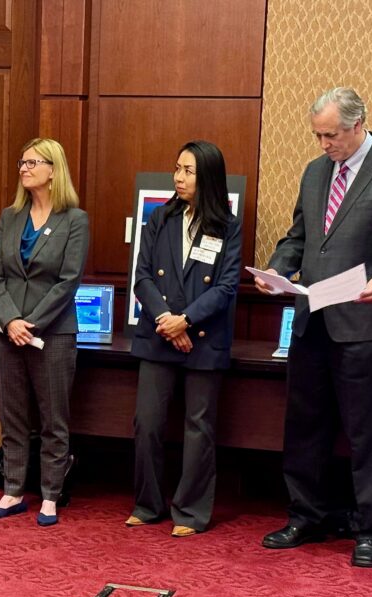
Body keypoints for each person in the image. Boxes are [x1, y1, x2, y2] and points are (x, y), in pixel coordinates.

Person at [255, 87, 372, 567]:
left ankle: (368, 528)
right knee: (305, 424)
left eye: (331, 135)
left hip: (367, 321)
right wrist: (276, 271)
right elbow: (299, 238)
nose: (324, 145)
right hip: (312, 319)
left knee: (366, 430)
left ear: (358, 125)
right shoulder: (315, 173)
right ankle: (305, 516)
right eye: (318, 136)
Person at [125, 140, 241, 537]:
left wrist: (185, 322)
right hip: (159, 333)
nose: (178, 177)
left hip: (203, 338)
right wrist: (166, 321)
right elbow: (142, 276)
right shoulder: (160, 218)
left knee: (199, 426)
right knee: (148, 422)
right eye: (177, 168)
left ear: (207, 176)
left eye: (188, 171)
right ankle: (148, 503)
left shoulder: (228, 225)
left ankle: (190, 512)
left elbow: (226, 288)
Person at [0, 138, 90, 527]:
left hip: (53, 333)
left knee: (52, 420)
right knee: (13, 416)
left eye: (32, 162)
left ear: (53, 170)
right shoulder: (10, 217)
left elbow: (68, 281)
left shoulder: (74, 220)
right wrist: (11, 321)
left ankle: (50, 496)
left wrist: (33, 323)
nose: (24, 168)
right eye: (22, 162)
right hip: (7, 332)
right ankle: (12, 491)